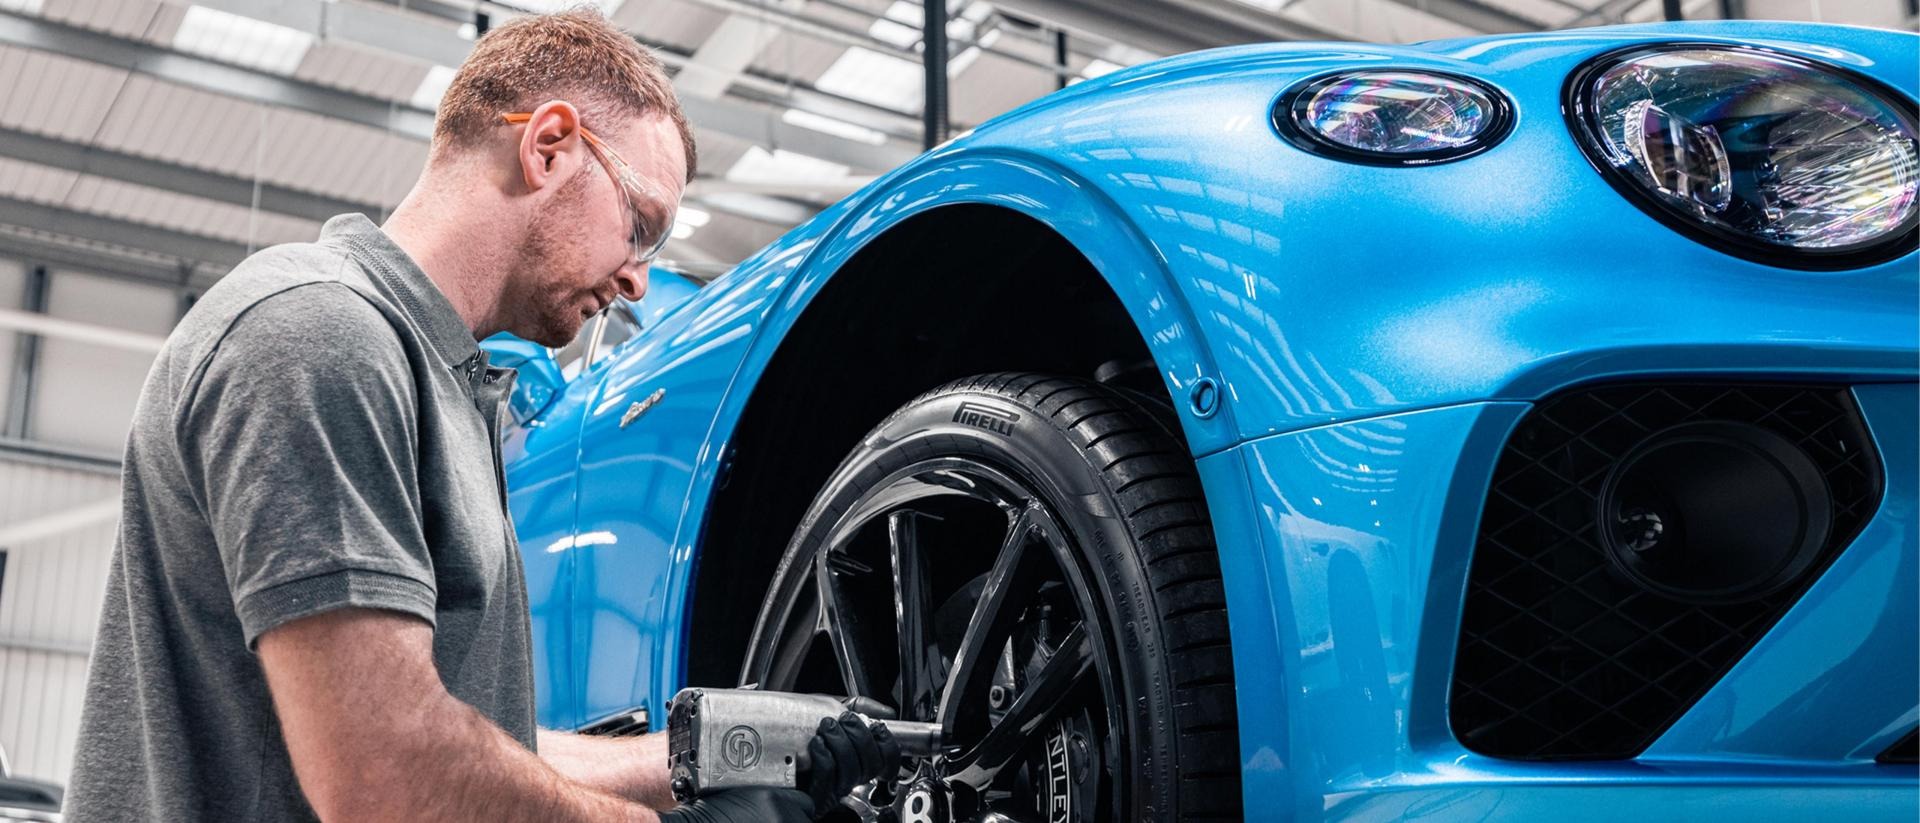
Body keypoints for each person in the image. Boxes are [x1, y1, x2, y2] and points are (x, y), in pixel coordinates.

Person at [63, 9, 892, 821]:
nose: (639, 279)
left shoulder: (440, 385)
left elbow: (479, 744)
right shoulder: (317, 332)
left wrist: (705, 758)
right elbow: (387, 772)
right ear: (549, 147)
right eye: (641, 227)